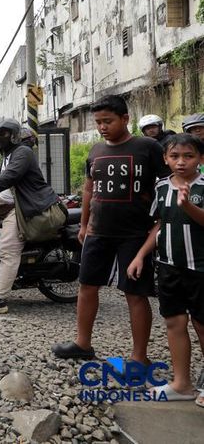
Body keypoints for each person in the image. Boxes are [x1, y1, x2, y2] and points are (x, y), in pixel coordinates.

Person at [52, 95, 170, 360]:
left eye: (108, 121)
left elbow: (167, 183)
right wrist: (84, 224)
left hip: (135, 234)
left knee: (134, 292)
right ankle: (83, 344)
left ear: (125, 119)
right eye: (98, 122)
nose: (102, 126)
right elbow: (89, 189)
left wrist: (163, 219)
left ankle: (139, 356)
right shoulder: (95, 151)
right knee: (87, 285)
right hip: (98, 231)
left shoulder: (147, 147)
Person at [126, 134, 204, 404]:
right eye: (174, 157)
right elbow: (158, 225)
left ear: (200, 159)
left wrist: (188, 206)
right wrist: (140, 256)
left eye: (188, 156)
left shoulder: (203, 186)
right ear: (165, 159)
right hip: (169, 266)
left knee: (202, 324)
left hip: (200, 269)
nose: (181, 162)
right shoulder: (161, 187)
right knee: (174, 322)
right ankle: (182, 383)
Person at [0, 118, 61, 314]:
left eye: (2, 134)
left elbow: (10, 176)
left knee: (8, 249)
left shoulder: (23, 153)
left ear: (14, 135)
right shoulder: (7, 155)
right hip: (1, 205)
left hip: (20, 208)